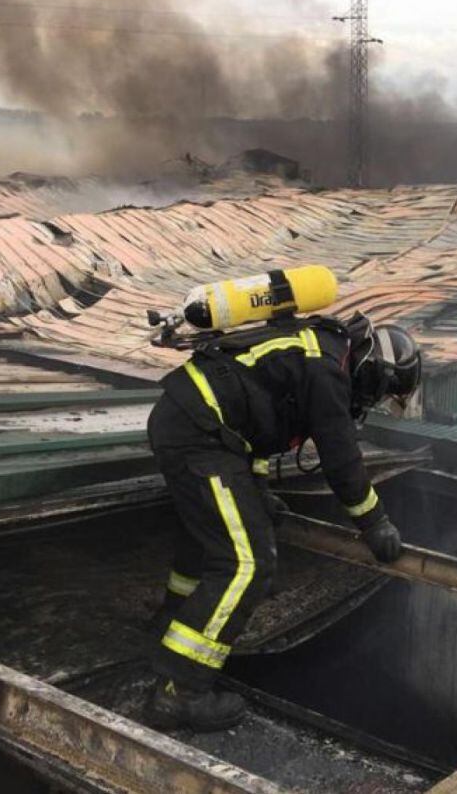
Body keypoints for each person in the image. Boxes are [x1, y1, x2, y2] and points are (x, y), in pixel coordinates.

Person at [145, 311, 421, 730]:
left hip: (196, 425)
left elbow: (254, 428)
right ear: (375, 374)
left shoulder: (317, 351)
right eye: (382, 393)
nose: (372, 402)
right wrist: (375, 522)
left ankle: (170, 622)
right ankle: (179, 692)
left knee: (208, 539)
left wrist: (258, 492)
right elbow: (341, 456)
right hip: (200, 436)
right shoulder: (328, 369)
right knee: (248, 562)